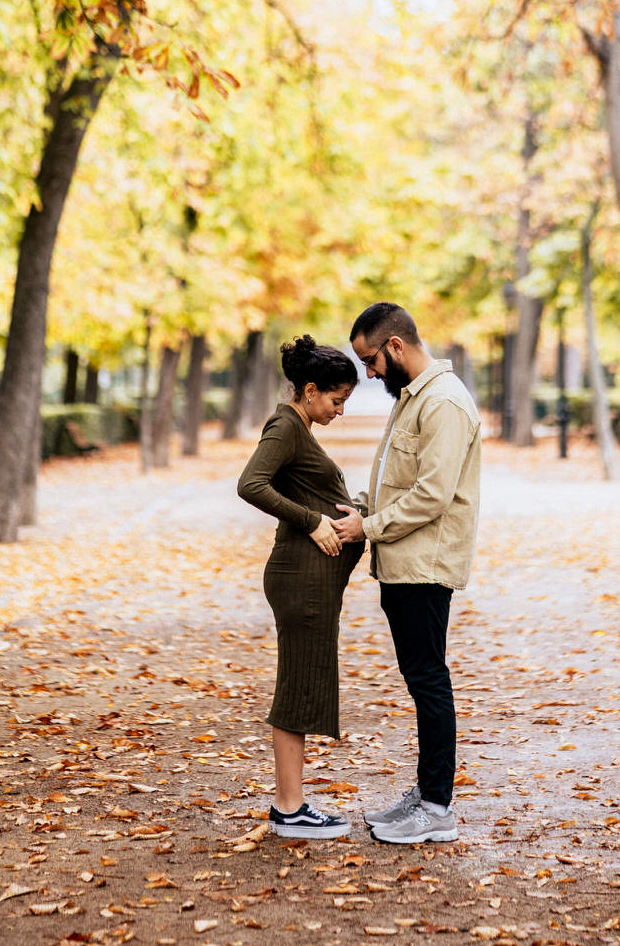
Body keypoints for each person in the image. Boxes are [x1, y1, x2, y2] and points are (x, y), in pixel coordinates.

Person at [334, 302, 481, 844]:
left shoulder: (443, 402)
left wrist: (368, 529)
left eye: (370, 360)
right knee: (421, 680)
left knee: (429, 680)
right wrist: (361, 509)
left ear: (395, 346)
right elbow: (398, 480)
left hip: (424, 565)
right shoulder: (413, 398)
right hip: (402, 564)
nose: (369, 373)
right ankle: (427, 793)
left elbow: (432, 495)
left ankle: (438, 807)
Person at [237, 334, 364, 840]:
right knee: (296, 686)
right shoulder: (286, 425)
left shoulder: (298, 425)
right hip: (299, 578)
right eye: (336, 401)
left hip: (310, 581)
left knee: (303, 683)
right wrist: (312, 521)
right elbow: (251, 484)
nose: (339, 411)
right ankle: (289, 809)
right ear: (310, 390)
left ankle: (292, 804)